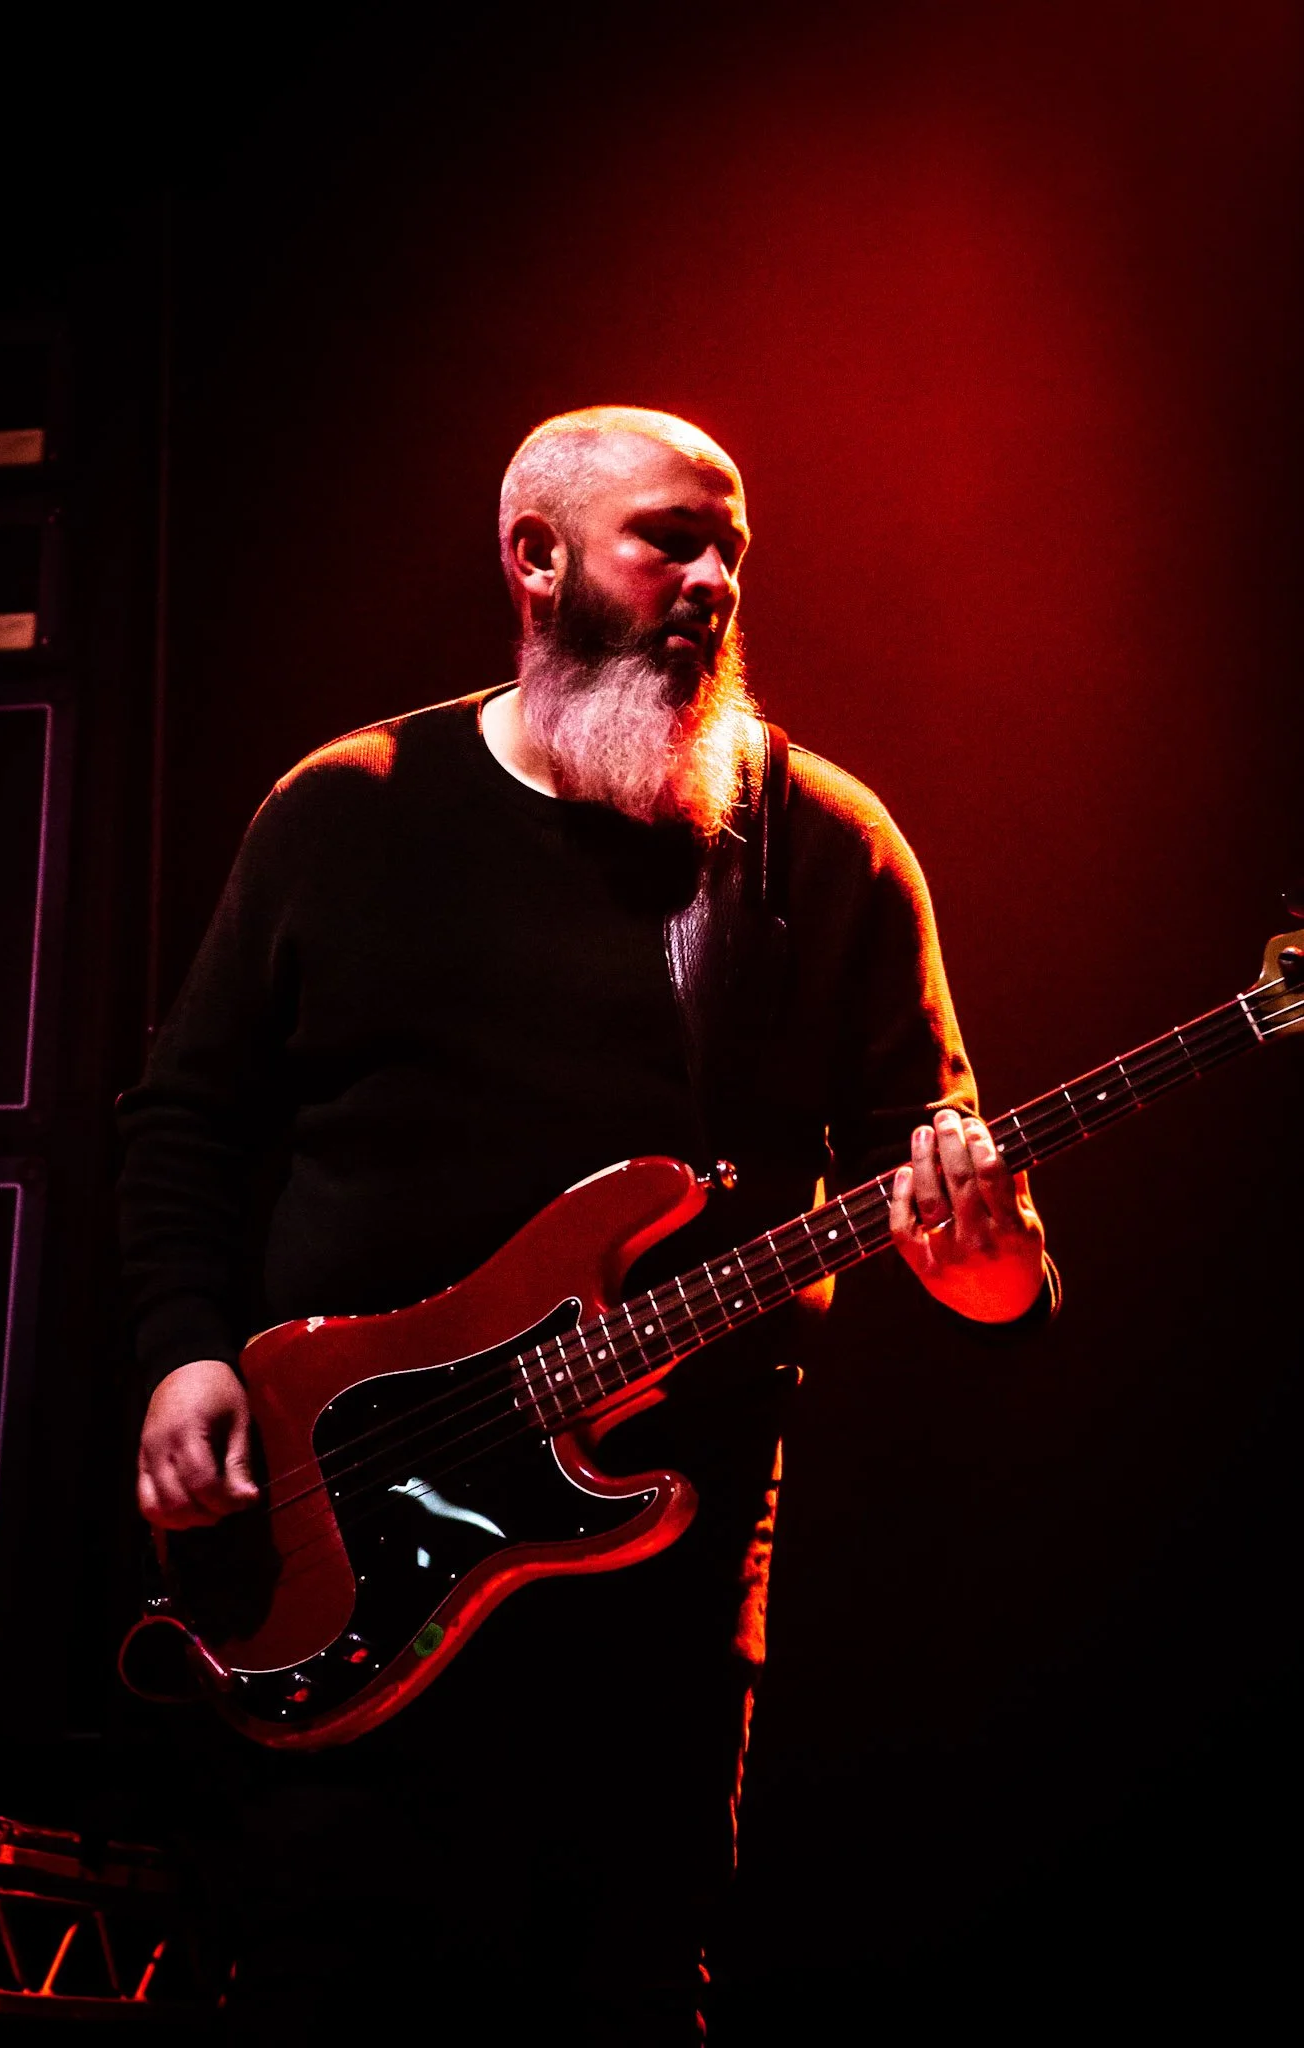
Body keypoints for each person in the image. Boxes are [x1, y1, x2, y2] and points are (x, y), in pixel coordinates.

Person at [119, 406, 1056, 2044]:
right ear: (535, 559)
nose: (712, 582)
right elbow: (187, 1117)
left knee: (617, 1992)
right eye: (667, 542)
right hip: (340, 1526)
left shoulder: (820, 846)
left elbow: (965, 1222)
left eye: (730, 553)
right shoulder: (346, 809)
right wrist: (184, 1352)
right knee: (326, 1988)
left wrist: (984, 1262)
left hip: (654, 1582)